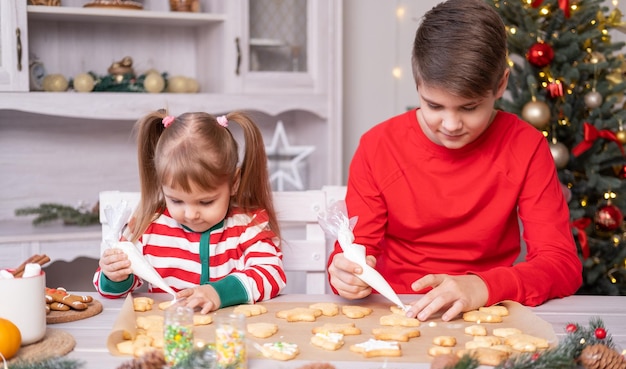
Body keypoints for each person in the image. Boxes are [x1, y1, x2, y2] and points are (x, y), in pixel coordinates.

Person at [327, 0, 582, 322]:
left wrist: (483, 287)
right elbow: (356, 250)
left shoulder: (526, 147)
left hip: (488, 313)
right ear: (417, 84)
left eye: (469, 108)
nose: (450, 125)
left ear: (500, 84)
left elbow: (560, 264)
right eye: (434, 106)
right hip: (395, 313)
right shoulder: (378, 147)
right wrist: (345, 274)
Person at [94, 110, 286, 313]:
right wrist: (115, 276)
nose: (191, 214)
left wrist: (218, 293)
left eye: (205, 202)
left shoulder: (247, 225)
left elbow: (271, 273)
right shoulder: (148, 227)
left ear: (234, 182)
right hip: (165, 335)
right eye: (176, 200)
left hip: (230, 336)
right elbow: (112, 291)